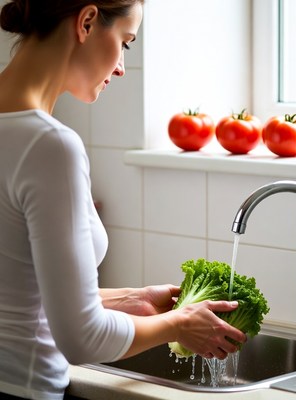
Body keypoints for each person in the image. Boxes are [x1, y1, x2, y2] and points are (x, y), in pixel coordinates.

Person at [0, 1, 247, 399]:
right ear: (87, 21)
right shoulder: (49, 145)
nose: (120, 68)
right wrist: (179, 325)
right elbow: (82, 338)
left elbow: (15, 287)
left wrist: (129, 298)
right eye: (125, 43)